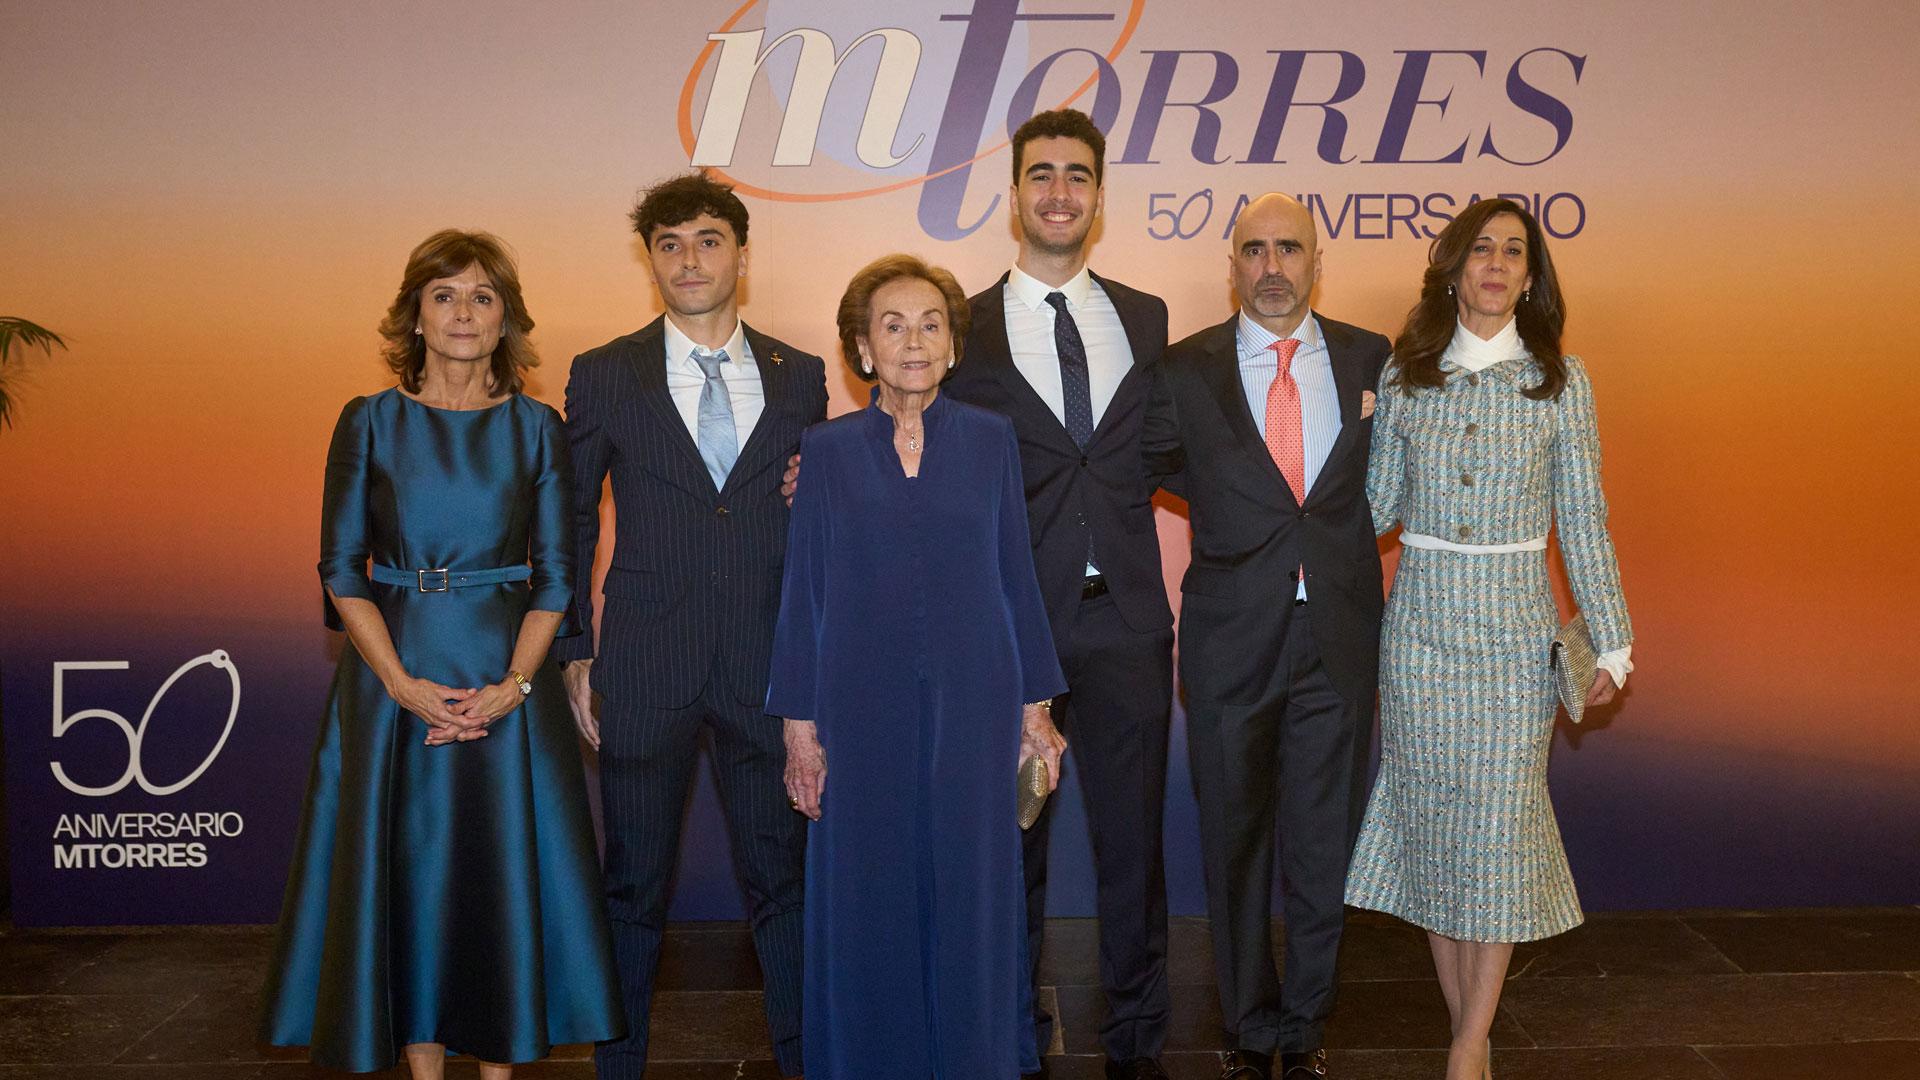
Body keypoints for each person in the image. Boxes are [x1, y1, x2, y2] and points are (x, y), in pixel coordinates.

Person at [261, 230, 624, 1078]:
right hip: (393, 683)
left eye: (483, 297)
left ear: (507, 320)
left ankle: (499, 1070)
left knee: (497, 877)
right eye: (445, 295)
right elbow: (340, 567)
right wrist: (401, 686)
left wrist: (513, 686)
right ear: (415, 315)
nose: (464, 312)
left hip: (510, 683)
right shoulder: (369, 420)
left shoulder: (539, 428)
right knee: (412, 874)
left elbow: (560, 576)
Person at [1343, 198, 1633, 1080]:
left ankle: (1471, 1042)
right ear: (1453, 268)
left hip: (1515, 633)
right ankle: (1462, 1022)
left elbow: (1583, 518)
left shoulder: (1561, 382)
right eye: (1482, 250)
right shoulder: (1404, 379)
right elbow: (1374, 509)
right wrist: (1314, 472)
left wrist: (1612, 644)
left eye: (1515, 252)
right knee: (1435, 825)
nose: (1497, 265)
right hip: (1421, 631)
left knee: (1501, 828)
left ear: (1532, 275)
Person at [768, 254, 1069, 1080]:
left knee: (974, 893)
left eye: (930, 323)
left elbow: (1016, 571)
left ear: (952, 344)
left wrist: (1035, 705)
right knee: (867, 897)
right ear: (862, 349)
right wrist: (799, 725)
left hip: (979, 698)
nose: (913, 340)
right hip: (855, 707)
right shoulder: (824, 451)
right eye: (892, 325)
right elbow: (806, 590)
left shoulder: (990, 439)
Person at [555, 172, 827, 1080]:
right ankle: (617, 1067)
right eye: (669, 244)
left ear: (741, 255)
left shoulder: (803, 375)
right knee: (630, 890)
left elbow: (825, 517)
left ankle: (806, 1063)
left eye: (708, 240)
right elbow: (569, 521)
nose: (689, 259)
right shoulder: (603, 372)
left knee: (783, 888)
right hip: (644, 661)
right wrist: (574, 652)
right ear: (651, 260)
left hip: (769, 668)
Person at [946, 108, 1177, 1080]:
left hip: (1126, 616)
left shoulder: (1147, 315)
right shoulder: (959, 323)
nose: (1058, 193)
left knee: (1135, 851)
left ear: (1098, 195)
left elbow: (1170, 451)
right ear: (1012, 193)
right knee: (1009, 854)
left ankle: (1138, 1046)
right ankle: (1009, 1041)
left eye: (1076, 176)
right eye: (1040, 175)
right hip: (1009, 626)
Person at [1141, 194, 1391, 1080]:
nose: (1273, 266)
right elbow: (1156, 467)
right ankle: (1251, 1027)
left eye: (1290, 248)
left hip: (1339, 636)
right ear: (1232, 263)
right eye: (1255, 250)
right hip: (1228, 642)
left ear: (1317, 261)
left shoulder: (1373, 357)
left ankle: (1307, 1022)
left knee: (1325, 842)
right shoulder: (1181, 369)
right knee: (1236, 840)